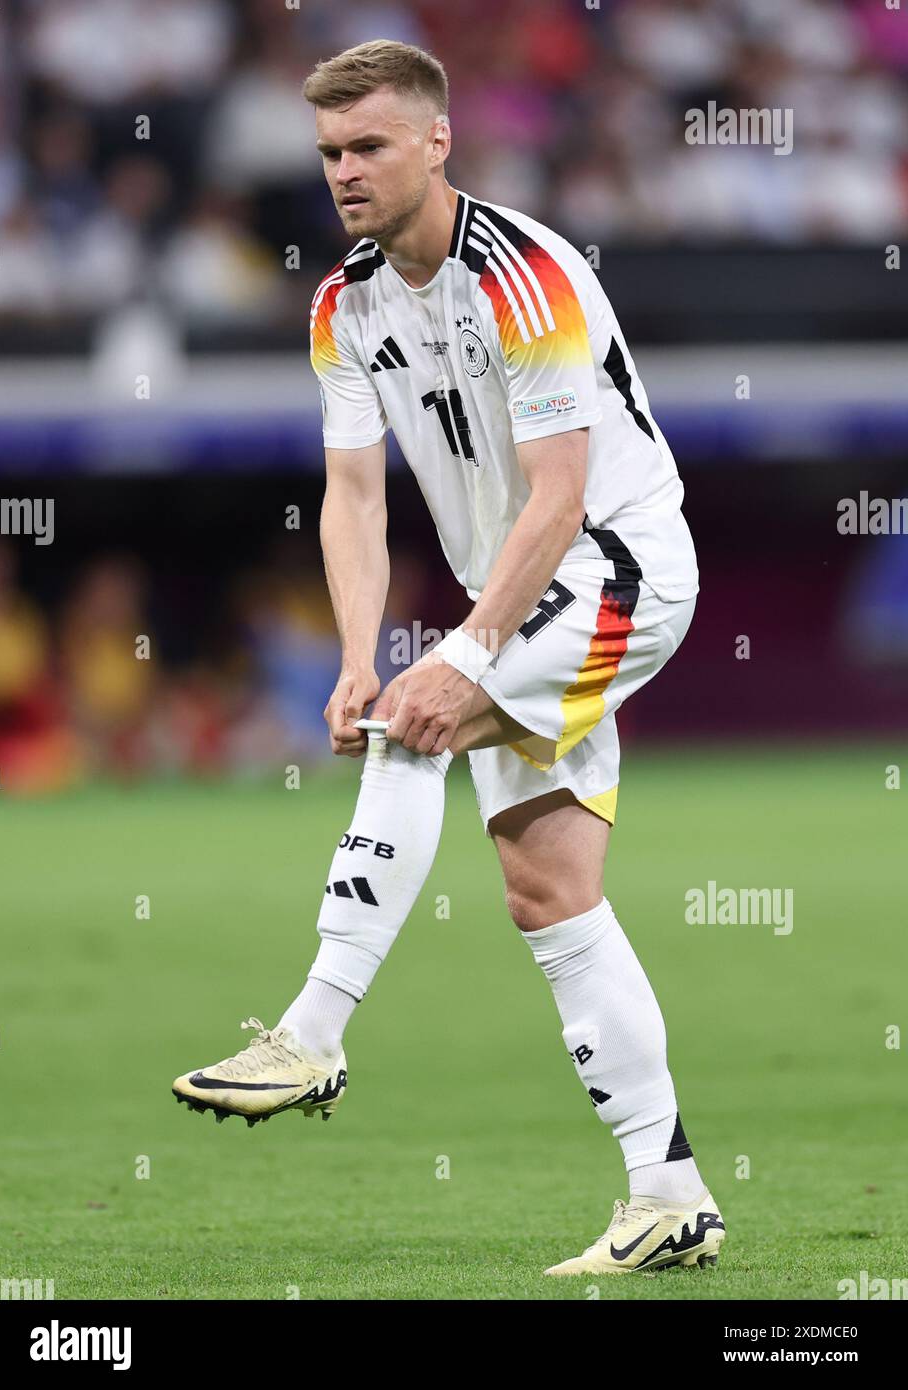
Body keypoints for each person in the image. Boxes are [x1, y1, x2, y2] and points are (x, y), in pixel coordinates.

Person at [173, 39, 725, 1278]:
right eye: (326, 154)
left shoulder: (525, 276)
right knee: (549, 893)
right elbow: (353, 500)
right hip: (526, 596)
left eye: (367, 146)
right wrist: (358, 654)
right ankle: (670, 1192)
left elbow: (557, 496)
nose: (344, 173)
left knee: (419, 722)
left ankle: (313, 1032)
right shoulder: (343, 304)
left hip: (615, 567)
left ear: (438, 141)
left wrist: (459, 658)